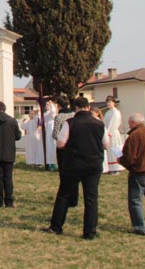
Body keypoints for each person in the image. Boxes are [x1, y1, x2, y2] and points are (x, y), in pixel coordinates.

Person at [43, 96, 107, 239]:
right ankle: (90, 232)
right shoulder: (99, 124)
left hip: (74, 164)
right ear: (88, 107)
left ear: (76, 108)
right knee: (91, 198)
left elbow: (61, 143)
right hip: (93, 164)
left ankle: (56, 226)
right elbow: (106, 144)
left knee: (64, 195)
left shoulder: (70, 123)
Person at [103, 96, 125, 174]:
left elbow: (113, 123)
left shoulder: (116, 112)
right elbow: (105, 123)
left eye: (109, 102)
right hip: (107, 133)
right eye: (107, 102)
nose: (108, 104)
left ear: (114, 103)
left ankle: (116, 168)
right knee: (109, 151)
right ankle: (110, 168)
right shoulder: (107, 112)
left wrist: (108, 133)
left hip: (113, 133)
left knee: (115, 150)